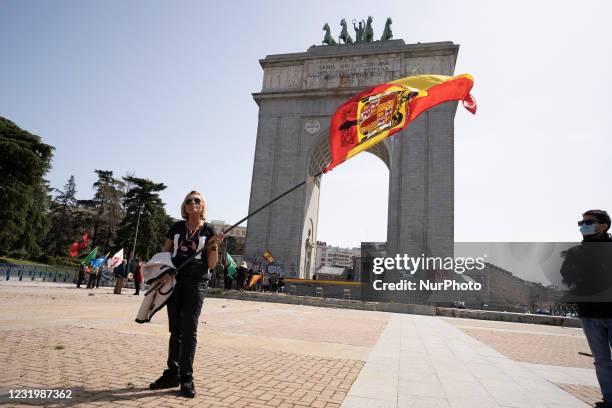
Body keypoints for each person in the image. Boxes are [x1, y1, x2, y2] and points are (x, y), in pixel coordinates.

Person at [149, 190, 223, 398]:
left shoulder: (208, 230)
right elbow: (164, 255)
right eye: (189, 200)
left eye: (197, 200)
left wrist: (214, 245)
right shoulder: (176, 227)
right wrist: (163, 273)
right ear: (185, 206)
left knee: (189, 329)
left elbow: (211, 264)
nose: (193, 203)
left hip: (197, 282)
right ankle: (172, 373)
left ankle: (187, 378)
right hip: (174, 280)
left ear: (202, 206)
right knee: (175, 330)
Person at [561, 209, 612, 408]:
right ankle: (609, 399)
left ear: (603, 225)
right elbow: (567, 276)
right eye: (581, 223)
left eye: (588, 222)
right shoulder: (575, 252)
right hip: (589, 312)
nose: (583, 226)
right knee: (601, 360)